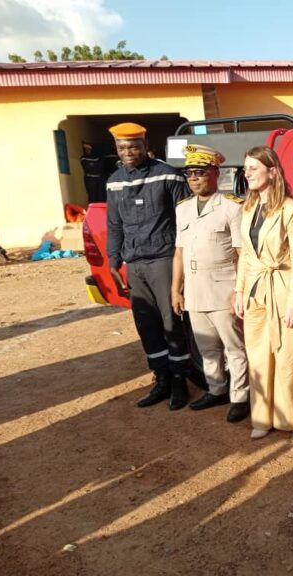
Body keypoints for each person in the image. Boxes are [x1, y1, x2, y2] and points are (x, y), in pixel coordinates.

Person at [234, 146, 293, 442]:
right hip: (256, 290)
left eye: (253, 169)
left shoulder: (290, 209)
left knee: (290, 356)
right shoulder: (247, 208)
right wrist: (239, 290)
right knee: (258, 356)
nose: (247, 174)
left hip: (284, 290)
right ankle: (263, 416)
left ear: (272, 172)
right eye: (246, 169)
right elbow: (246, 254)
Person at [106, 122, 191, 411]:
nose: (128, 152)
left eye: (134, 146)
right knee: (147, 325)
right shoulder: (115, 181)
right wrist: (113, 260)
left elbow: (185, 220)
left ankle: (180, 381)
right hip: (135, 264)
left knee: (172, 321)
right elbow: (114, 224)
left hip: (164, 259)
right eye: (122, 147)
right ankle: (162, 379)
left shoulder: (168, 174)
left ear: (145, 146)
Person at [171, 144, 250, 423]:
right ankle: (217, 389)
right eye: (189, 173)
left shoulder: (231, 207)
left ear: (215, 173)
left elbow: (242, 254)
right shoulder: (183, 209)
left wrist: (238, 291)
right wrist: (175, 289)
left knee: (234, 347)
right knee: (207, 347)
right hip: (194, 288)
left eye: (200, 172)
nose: (194, 178)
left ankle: (240, 396)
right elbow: (179, 251)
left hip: (223, 287)